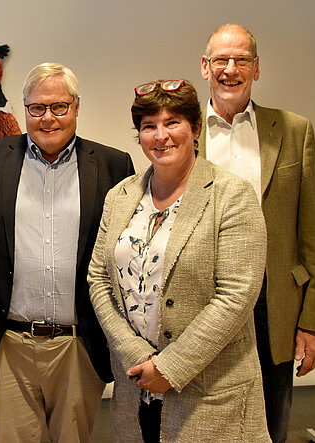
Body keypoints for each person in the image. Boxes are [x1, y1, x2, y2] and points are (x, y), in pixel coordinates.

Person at [88, 79, 270, 442]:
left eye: (172, 122)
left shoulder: (231, 195)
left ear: (196, 128)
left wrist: (169, 367)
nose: (160, 136)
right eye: (148, 126)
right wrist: (136, 353)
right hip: (135, 386)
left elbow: (236, 296)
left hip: (210, 394)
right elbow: (98, 279)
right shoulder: (120, 196)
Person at [0, 62, 135, 442]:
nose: (48, 118)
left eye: (59, 107)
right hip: (9, 345)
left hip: (78, 345)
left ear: (76, 107)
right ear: (23, 109)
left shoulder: (113, 165)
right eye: (37, 108)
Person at [198, 24, 315, 441]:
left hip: (273, 306)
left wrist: (312, 322)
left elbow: (311, 234)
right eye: (221, 59)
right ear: (205, 67)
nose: (230, 69)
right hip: (201, 300)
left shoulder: (294, 130)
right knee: (201, 420)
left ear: (257, 69)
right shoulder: (181, 134)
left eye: (242, 60)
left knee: (271, 424)